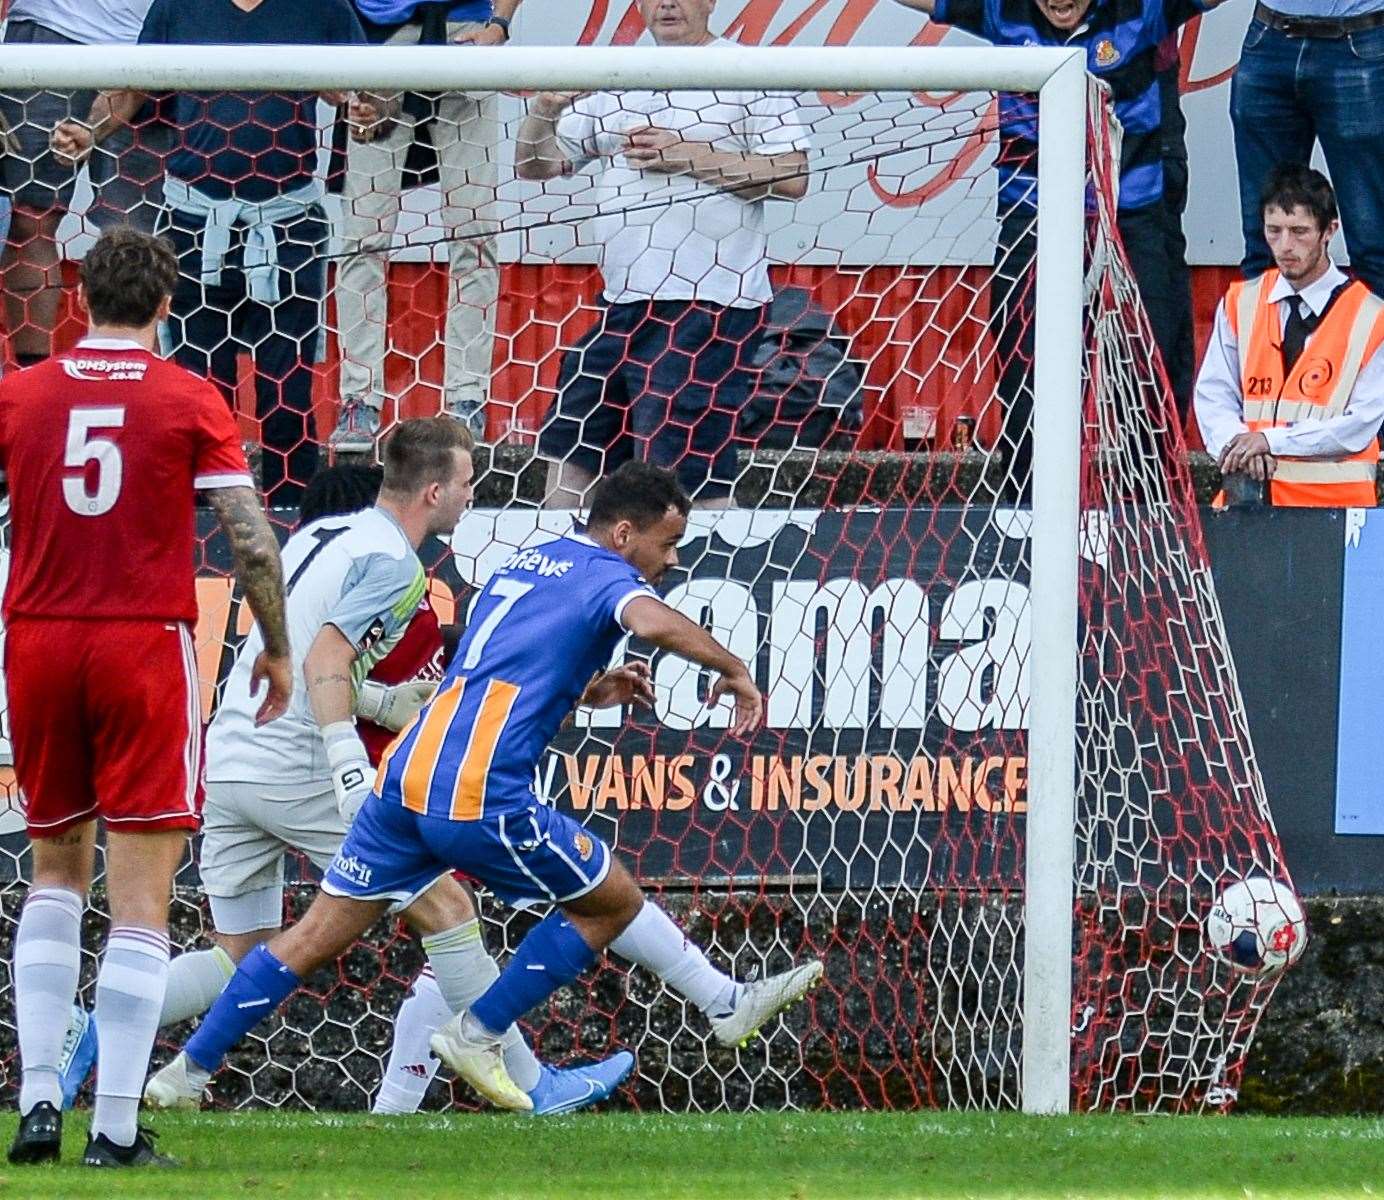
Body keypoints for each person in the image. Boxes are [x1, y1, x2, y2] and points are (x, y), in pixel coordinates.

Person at [147, 461, 823, 1112]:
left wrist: (587, 689)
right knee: (610, 901)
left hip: (405, 780)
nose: (671, 560)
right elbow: (650, 622)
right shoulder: (605, 574)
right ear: (624, 534)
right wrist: (735, 668)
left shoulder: (528, 564)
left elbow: (489, 665)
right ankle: (480, 1034)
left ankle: (187, 1070)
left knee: (309, 936)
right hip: (475, 790)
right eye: (668, 543)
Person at [141, 447, 632, 1117]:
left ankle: (120, 1047)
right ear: (432, 490)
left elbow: (329, 654)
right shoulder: (392, 564)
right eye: (465, 482)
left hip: (230, 759)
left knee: (240, 951)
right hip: (304, 768)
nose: (472, 494)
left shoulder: (315, 536)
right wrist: (352, 754)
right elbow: (333, 659)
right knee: (448, 913)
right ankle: (531, 1084)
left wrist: (377, 702)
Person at [2, 228, 291, 1168]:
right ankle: (116, 1127)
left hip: (38, 638)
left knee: (53, 871)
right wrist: (276, 648)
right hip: (141, 642)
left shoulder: (20, 393)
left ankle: (38, 1103)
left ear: (79, 299)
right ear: (168, 304)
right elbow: (250, 539)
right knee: (140, 897)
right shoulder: (187, 396)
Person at [894, 0, 1226, 496]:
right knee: (1026, 363)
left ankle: (1147, 506)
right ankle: (1028, 502)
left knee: (1151, 361)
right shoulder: (999, 9)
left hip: (1133, 213)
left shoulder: (1145, 8)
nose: (1061, 2)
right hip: (1035, 213)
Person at [52, 0, 370, 505]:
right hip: (194, 221)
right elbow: (133, 84)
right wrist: (92, 130)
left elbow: (356, 86)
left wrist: (366, 107)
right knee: (201, 388)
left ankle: (292, 515)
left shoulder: (320, 7)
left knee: (285, 389)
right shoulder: (179, 6)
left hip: (287, 223)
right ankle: (201, 520)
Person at [519, 0, 810, 510]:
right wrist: (544, 108)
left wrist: (689, 155)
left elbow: (793, 176)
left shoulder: (748, 72)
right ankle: (557, 574)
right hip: (623, 307)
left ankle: (720, 578)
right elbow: (535, 166)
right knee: (571, 449)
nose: (667, 3)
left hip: (710, 307)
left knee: (682, 479)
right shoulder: (619, 76)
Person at [329, 0, 523, 453]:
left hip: (463, 30)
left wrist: (499, 25)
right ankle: (359, 397)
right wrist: (348, 45)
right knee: (362, 240)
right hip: (378, 41)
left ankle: (467, 396)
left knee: (474, 233)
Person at [1194, 166, 1384, 508]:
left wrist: (1269, 441)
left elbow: (1359, 426)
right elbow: (1213, 395)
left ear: (1330, 231)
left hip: (1334, 512)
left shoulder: (1372, 317)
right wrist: (1239, 443)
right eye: (1274, 231)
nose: (1285, 246)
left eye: (1299, 231)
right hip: (1248, 505)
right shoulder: (1241, 302)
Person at [0, 0, 170, 372]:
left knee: (139, 235)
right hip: (50, 29)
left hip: (152, 40)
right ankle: (35, 375)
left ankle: (137, 377)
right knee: (29, 219)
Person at [1231, 2, 1384, 299]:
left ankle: (1373, 345)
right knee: (1265, 244)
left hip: (1361, 36)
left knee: (1374, 246)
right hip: (1271, 34)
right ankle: (1265, 345)